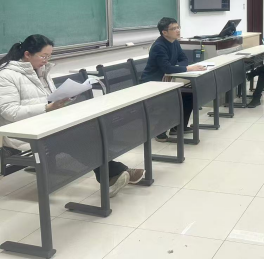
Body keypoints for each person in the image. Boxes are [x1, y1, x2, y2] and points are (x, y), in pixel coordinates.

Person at [0, 35, 144, 197]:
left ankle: (114, 173)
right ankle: (115, 172)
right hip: (23, 132)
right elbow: (9, 111)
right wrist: (47, 108)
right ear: (27, 54)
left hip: (46, 123)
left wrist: (64, 98)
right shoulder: (6, 75)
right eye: (43, 56)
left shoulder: (41, 72)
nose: (46, 61)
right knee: (74, 137)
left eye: (49, 56)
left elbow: (50, 98)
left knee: (89, 130)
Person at [141, 17, 206, 142]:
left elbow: (184, 59)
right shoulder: (159, 46)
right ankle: (159, 131)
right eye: (174, 29)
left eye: (178, 27)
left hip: (165, 82)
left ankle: (178, 127)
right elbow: (166, 68)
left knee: (189, 95)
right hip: (151, 83)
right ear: (164, 32)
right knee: (173, 98)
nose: (178, 30)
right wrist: (186, 68)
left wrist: (176, 67)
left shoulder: (174, 42)